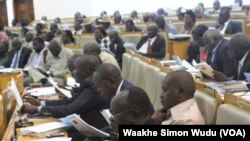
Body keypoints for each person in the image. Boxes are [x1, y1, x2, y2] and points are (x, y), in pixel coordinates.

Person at [22, 54, 108, 141]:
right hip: (87, 127)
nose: (72, 72)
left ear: (86, 71)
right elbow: (69, 102)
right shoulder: (89, 82)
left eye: (75, 69)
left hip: (95, 132)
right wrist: (40, 104)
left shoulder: (91, 84)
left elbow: (71, 109)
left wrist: (38, 109)